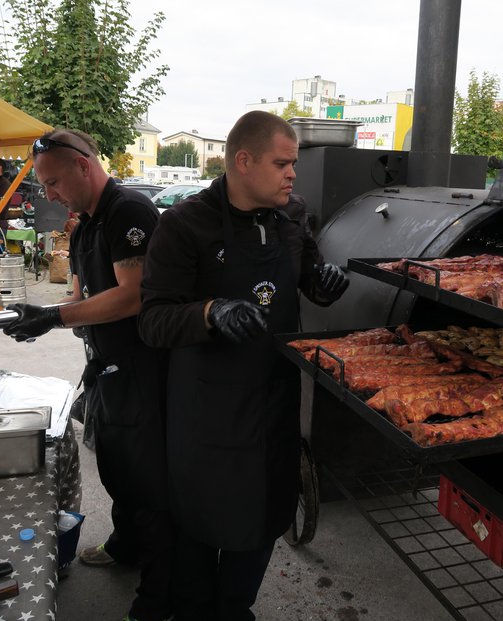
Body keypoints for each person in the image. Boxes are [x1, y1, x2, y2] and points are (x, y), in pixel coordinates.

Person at [138, 110, 350, 621]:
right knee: (201, 518)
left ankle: (235, 608)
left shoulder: (293, 216)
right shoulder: (185, 224)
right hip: (206, 407)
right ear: (243, 161)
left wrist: (322, 284)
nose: (292, 174)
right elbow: (152, 320)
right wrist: (210, 312)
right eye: (282, 163)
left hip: (273, 398)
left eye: (293, 164)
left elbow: (306, 274)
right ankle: (195, 608)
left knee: (264, 512)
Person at [2, 129, 171, 621]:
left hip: (143, 371)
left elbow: (132, 294)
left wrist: (55, 318)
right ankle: (127, 546)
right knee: (116, 468)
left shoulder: (130, 211)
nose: (50, 195)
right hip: (105, 369)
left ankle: (159, 596)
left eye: (53, 182)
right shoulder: (83, 227)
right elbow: (81, 299)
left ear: (83, 165)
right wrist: (39, 315)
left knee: (149, 486)